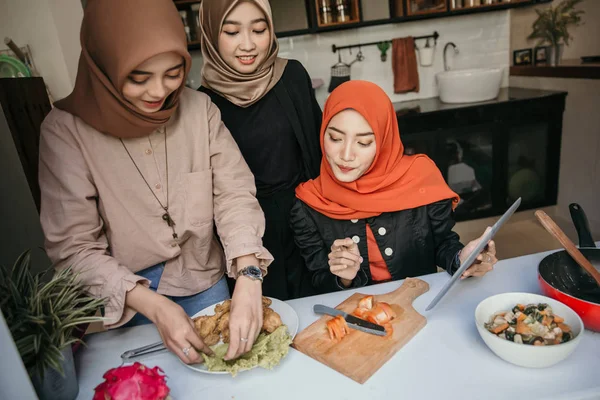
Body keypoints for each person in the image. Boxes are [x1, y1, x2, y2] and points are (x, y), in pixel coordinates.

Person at [38, 0, 272, 364]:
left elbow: (234, 194)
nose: (159, 93)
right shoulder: (65, 132)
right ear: (103, 67)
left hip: (206, 281)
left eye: (173, 73)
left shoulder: (199, 111)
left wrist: (249, 272)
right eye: (139, 77)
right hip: (126, 298)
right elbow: (73, 248)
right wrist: (156, 307)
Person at [290, 81, 497, 293]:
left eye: (363, 143)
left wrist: (462, 258)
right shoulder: (309, 203)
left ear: (384, 140)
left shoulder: (420, 178)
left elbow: (443, 243)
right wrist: (344, 279)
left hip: (417, 304)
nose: (345, 155)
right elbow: (317, 277)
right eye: (335, 138)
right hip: (355, 316)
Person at [197, 0, 322, 300]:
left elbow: (319, 154)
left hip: (306, 221)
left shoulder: (292, 76)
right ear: (212, 35)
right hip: (246, 236)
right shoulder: (201, 105)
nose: (248, 44)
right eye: (232, 32)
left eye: (259, 29)